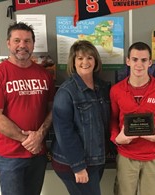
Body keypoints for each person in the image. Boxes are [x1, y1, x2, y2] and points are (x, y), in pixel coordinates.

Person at [0, 22, 55, 195]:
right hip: (10, 157)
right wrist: (27, 140)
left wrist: (40, 135)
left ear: (33, 44)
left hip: (38, 154)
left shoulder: (44, 75)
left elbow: (52, 110)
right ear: (8, 43)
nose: (22, 45)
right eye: (17, 40)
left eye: (27, 41)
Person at [110, 41, 155, 195]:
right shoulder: (116, 90)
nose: (139, 64)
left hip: (153, 156)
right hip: (126, 156)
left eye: (143, 60)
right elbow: (113, 119)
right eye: (134, 59)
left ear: (150, 62)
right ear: (128, 61)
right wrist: (116, 138)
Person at [51, 40, 110, 195]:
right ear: (73, 62)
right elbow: (64, 133)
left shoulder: (102, 88)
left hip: (96, 159)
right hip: (74, 163)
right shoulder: (66, 92)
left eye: (89, 58)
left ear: (95, 61)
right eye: (80, 58)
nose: (85, 62)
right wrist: (78, 166)